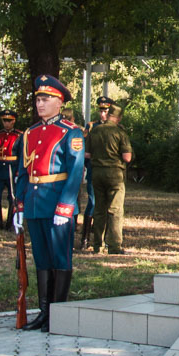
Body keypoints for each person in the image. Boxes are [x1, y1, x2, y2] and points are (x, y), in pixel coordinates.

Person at [13, 75, 84, 331]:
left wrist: (65, 206)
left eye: (46, 99)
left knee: (59, 258)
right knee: (41, 258)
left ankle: (58, 313)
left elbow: (75, 172)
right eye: (38, 100)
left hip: (57, 205)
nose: (40, 104)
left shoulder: (70, 133)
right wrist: (19, 205)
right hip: (34, 203)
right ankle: (44, 313)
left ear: (59, 102)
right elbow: (22, 171)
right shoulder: (29, 133)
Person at [86, 104, 133, 255]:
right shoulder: (120, 132)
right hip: (115, 175)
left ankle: (97, 245)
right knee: (115, 210)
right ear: (118, 118)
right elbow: (127, 157)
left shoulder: (95, 130)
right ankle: (114, 246)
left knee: (99, 209)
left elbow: (87, 154)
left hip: (97, 173)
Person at [79, 96, 113, 249]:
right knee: (93, 202)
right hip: (95, 170)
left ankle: (105, 239)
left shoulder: (115, 128)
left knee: (109, 205)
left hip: (111, 172)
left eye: (105, 110)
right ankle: (85, 238)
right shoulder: (91, 127)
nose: (103, 114)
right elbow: (85, 151)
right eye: (101, 110)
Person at [0, 110, 21, 231]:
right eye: (5, 121)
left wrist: (18, 172)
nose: (7, 123)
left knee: (13, 198)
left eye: (9, 121)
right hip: (0, 168)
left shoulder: (19, 135)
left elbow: (22, 156)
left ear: (14, 121)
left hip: (13, 168)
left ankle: (9, 224)